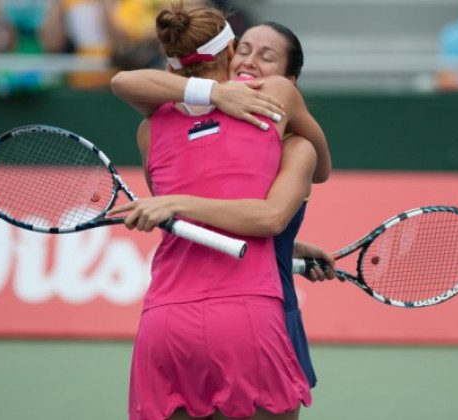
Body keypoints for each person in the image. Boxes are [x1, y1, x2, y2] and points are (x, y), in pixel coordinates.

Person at [109, 3, 329, 419]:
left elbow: (122, 82)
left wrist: (288, 247)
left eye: (265, 56)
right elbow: (315, 169)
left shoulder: (149, 128)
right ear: (229, 50)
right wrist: (219, 94)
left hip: (164, 323)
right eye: (245, 49)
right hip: (247, 317)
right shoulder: (276, 95)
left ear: (172, 66)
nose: (249, 61)